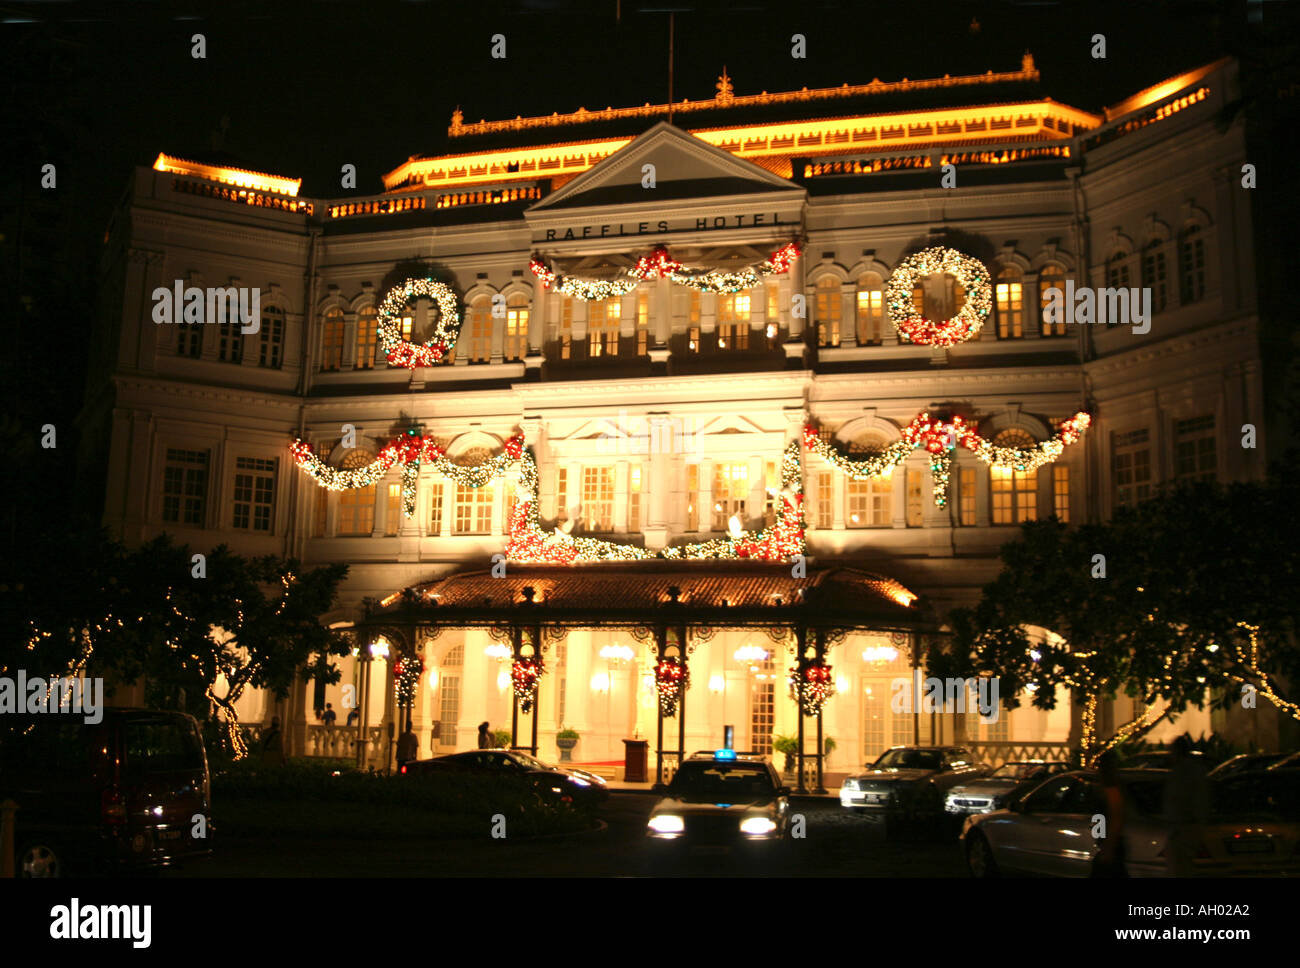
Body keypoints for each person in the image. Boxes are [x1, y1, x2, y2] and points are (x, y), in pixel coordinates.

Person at [1163, 735, 1211, 876]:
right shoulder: (1192, 771)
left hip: (1183, 827)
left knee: (1180, 869)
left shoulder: (1182, 773)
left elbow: (1184, 800)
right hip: (1185, 827)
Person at [1091, 750, 1127, 877]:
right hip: (1106, 845)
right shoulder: (1106, 790)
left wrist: (1109, 847)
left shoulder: (1111, 791)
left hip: (1110, 847)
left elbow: (1116, 818)